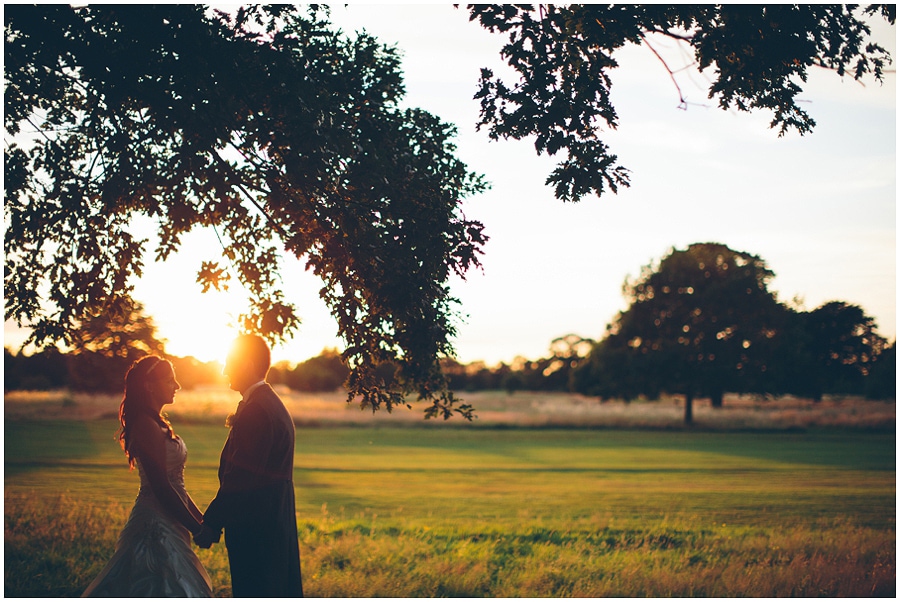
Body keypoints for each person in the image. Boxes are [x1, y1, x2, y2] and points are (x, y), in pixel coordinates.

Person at [82, 356, 212, 597]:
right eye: (170, 380)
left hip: (170, 519)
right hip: (155, 524)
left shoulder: (157, 423)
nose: (177, 386)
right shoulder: (145, 425)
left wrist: (202, 520)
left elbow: (177, 486)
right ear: (149, 385)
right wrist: (197, 528)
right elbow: (162, 487)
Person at [194, 334, 303, 597]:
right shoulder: (267, 403)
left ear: (248, 364)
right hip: (271, 520)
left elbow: (241, 477)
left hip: (256, 528)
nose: (224, 370)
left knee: (256, 590)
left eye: (230, 362)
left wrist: (211, 523)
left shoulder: (257, 410)